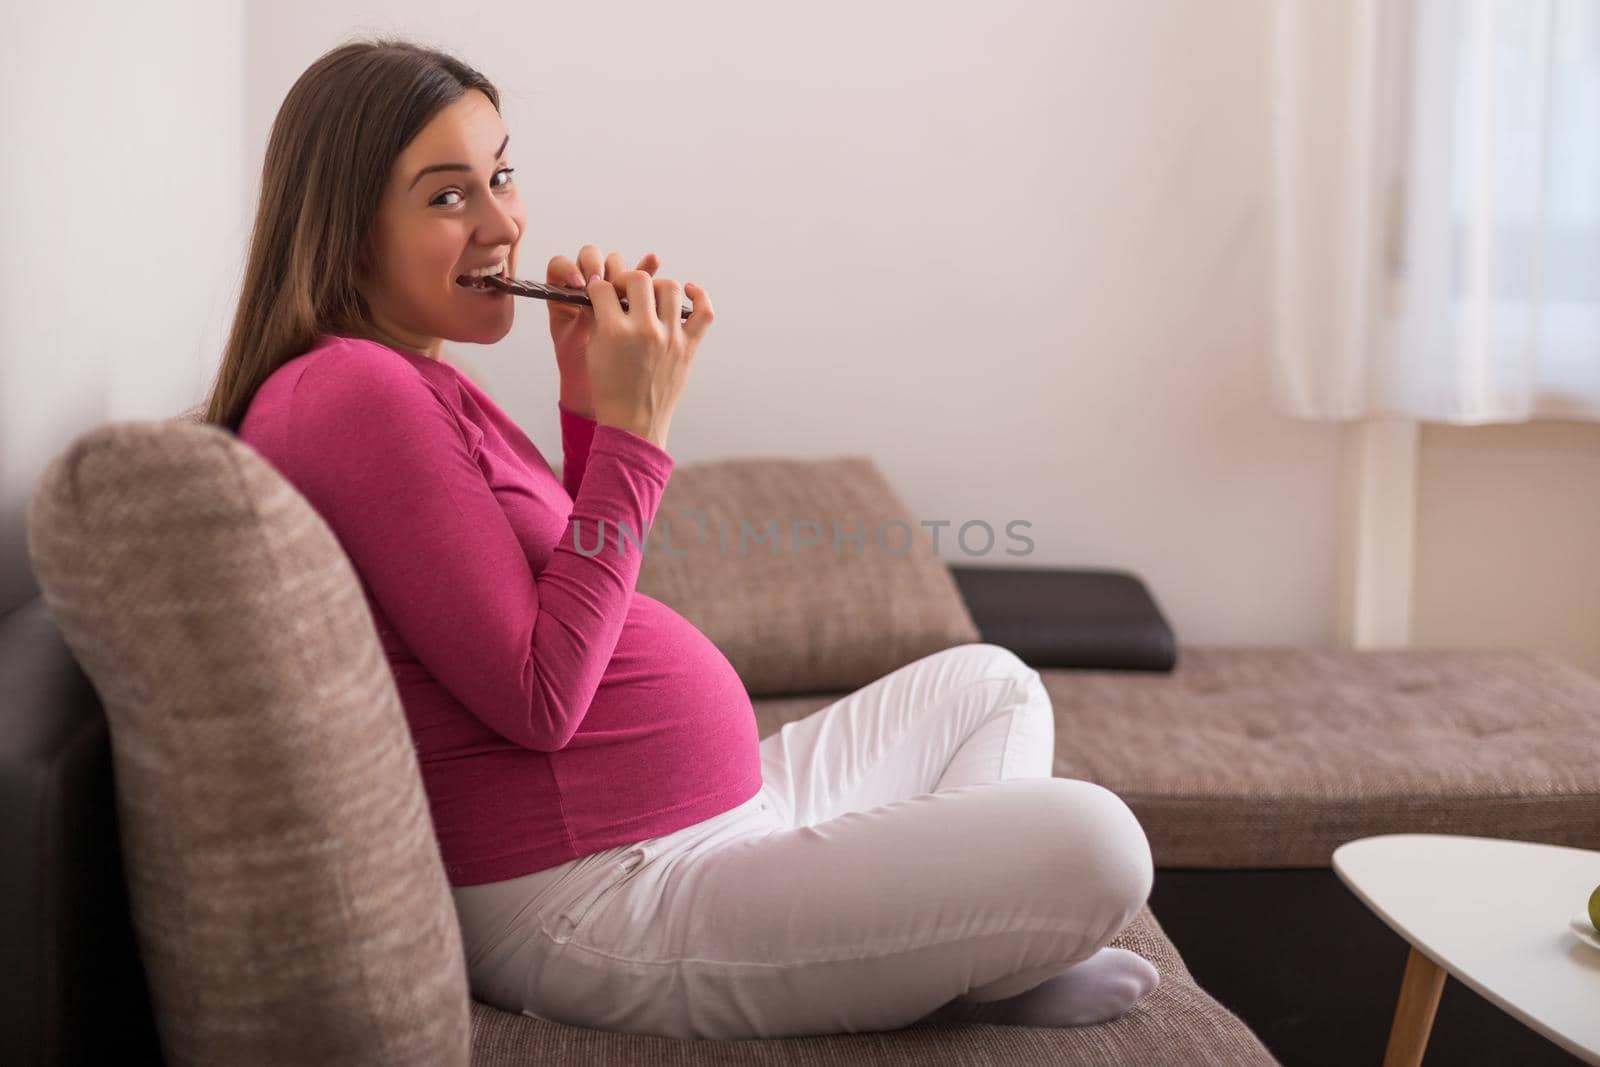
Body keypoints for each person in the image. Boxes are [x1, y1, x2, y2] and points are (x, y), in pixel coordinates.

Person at [207, 36, 1160, 1041]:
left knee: (991, 683)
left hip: (696, 823)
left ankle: (959, 954)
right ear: (346, 226)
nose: (503, 222)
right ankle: (963, 960)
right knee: (1097, 842)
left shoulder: (412, 382)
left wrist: (585, 412)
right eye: (448, 197)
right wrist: (632, 432)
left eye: (501, 174)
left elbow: (580, 607)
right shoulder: (354, 392)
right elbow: (540, 696)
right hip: (601, 895)